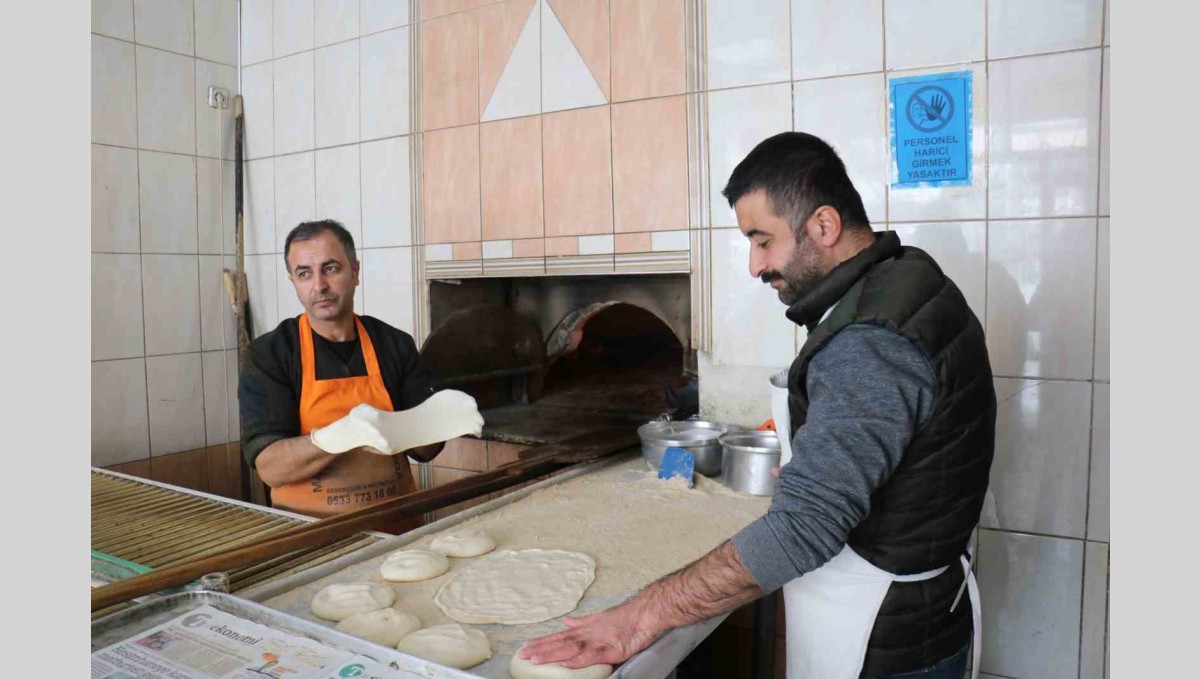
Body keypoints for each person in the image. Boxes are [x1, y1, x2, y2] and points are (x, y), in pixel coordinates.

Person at [520, 132, 996, 679]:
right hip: (918, 607)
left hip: (883, 638)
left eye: (762, 240)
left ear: (823, 225)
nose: (753, 265)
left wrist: (638, 617)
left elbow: (804, 528)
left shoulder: (870, 339)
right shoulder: (906, 278)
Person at [238, 219, 447, 533]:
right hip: (312, 539)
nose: (319, 286)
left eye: (331, 268)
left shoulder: (393, 344)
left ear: (355, 271)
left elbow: (428, 449)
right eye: (304, 273)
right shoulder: (271, 354)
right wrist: (343, 434)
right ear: (293, 281)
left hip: (399, 534)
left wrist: (443, 417)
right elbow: (271, 468)